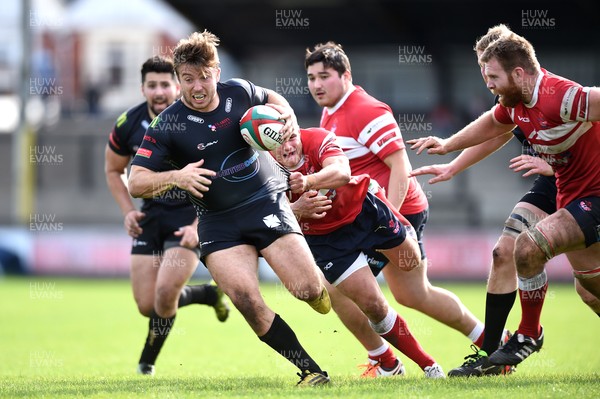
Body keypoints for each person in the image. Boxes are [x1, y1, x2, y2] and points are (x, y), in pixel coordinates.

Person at [127, 31, 331, 386]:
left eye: (204, 76)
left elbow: (277, 100)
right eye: (188, 79)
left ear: (217, 72)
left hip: (265, 203)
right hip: (217, 222)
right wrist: (177, 176)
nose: (198, 87)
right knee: (245, 299)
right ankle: (311, 371)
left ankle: (317, 288)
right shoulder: (168, 125)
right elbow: (136, 180)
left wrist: (289, 124)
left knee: (307, 290)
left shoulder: (240, 92)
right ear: (178, 80)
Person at [408, 24, 600, 377]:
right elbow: (495, 127)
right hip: (561, 184)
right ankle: (491, 356)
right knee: (508, 254)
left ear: (518, 73)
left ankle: (528, 334)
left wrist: (551, 162)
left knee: (552, 263)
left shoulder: (561, 97)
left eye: (492, 76)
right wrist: (451, 154)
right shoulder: (516, 102)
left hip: (592, 192)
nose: (488, 84)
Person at [304, 41, 486, 377]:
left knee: (338, 288)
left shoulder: (365, 110)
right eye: (311, 77)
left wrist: (393, 220)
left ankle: (386, 361)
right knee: (414, 294)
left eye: (324, 76)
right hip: (369, 216)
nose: (316, 84)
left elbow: (400, 166)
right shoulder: (330, 110)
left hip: (391, 214)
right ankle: (491, 340)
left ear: (346, 76)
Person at [270, 123, 446, 378]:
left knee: (410, 262)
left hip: (365, 213)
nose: (288, 147)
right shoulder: (262, 168)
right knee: (373, 305)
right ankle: (428, 365)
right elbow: (266, 216)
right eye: (279, 143)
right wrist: (296, 211)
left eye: (292, 138)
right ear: (266, 146)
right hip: (327, 241)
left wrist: (307, 182)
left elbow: (341, 172)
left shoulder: (318, 138)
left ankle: (398, 220)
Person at [104, 55, 230, 376]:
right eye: (152, 85)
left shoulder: (196, 118)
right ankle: (207, 293)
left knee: (165, 294)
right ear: (143, 88)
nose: (159, 91)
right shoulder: (128, 123)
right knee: (147, 305)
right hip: (150, 218)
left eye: (165, 84)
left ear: (177, 85)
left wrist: (198, 225)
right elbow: (113, 169)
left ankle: (146, 363)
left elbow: (221, 175)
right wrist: (127, 211)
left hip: (190, 217)